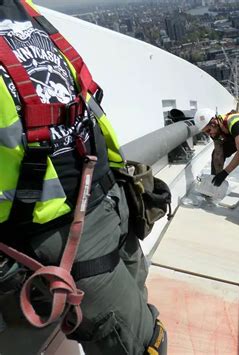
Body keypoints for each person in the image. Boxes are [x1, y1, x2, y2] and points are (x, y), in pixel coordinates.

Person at [0, 1, 166, 354]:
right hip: (59, 232)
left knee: (138, 294)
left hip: (109, 197)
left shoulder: (22, 9)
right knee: (141, 344)